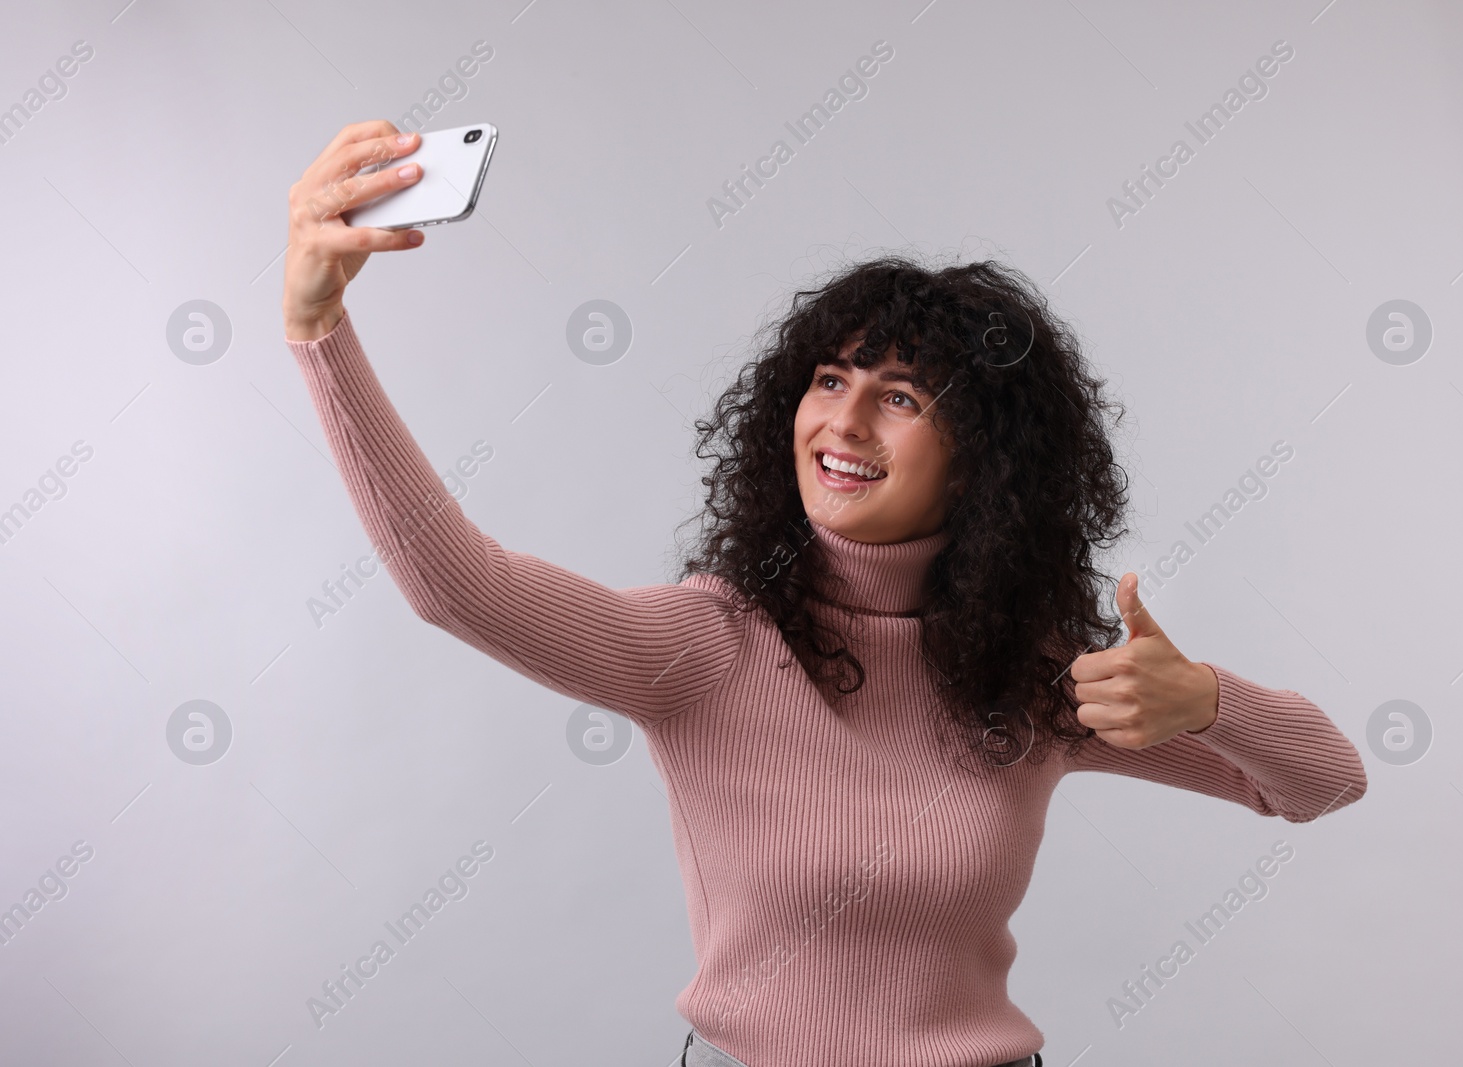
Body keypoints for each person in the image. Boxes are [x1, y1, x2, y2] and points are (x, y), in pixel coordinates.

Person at [283, 121, 1368, 1067]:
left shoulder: (1034, 676)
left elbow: (1324, 780)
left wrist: (1209, 699)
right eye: (829, 378)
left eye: (898, 395)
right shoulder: (706, 644)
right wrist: (319, 329)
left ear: (982, 459)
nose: (841, 423)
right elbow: (457, 584)